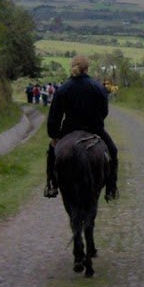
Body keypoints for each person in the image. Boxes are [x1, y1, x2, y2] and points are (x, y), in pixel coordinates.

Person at [44, 56, 119, 201]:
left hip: (69, 129)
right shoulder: (98, 88)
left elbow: (55, 115)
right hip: (95, 128)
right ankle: (111, 188)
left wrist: (54, 134)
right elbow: (104, 111)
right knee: (113, 151)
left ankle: (52, 184)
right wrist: (97, 122)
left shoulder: (63, 89)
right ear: (87, 68)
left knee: (52, 151)